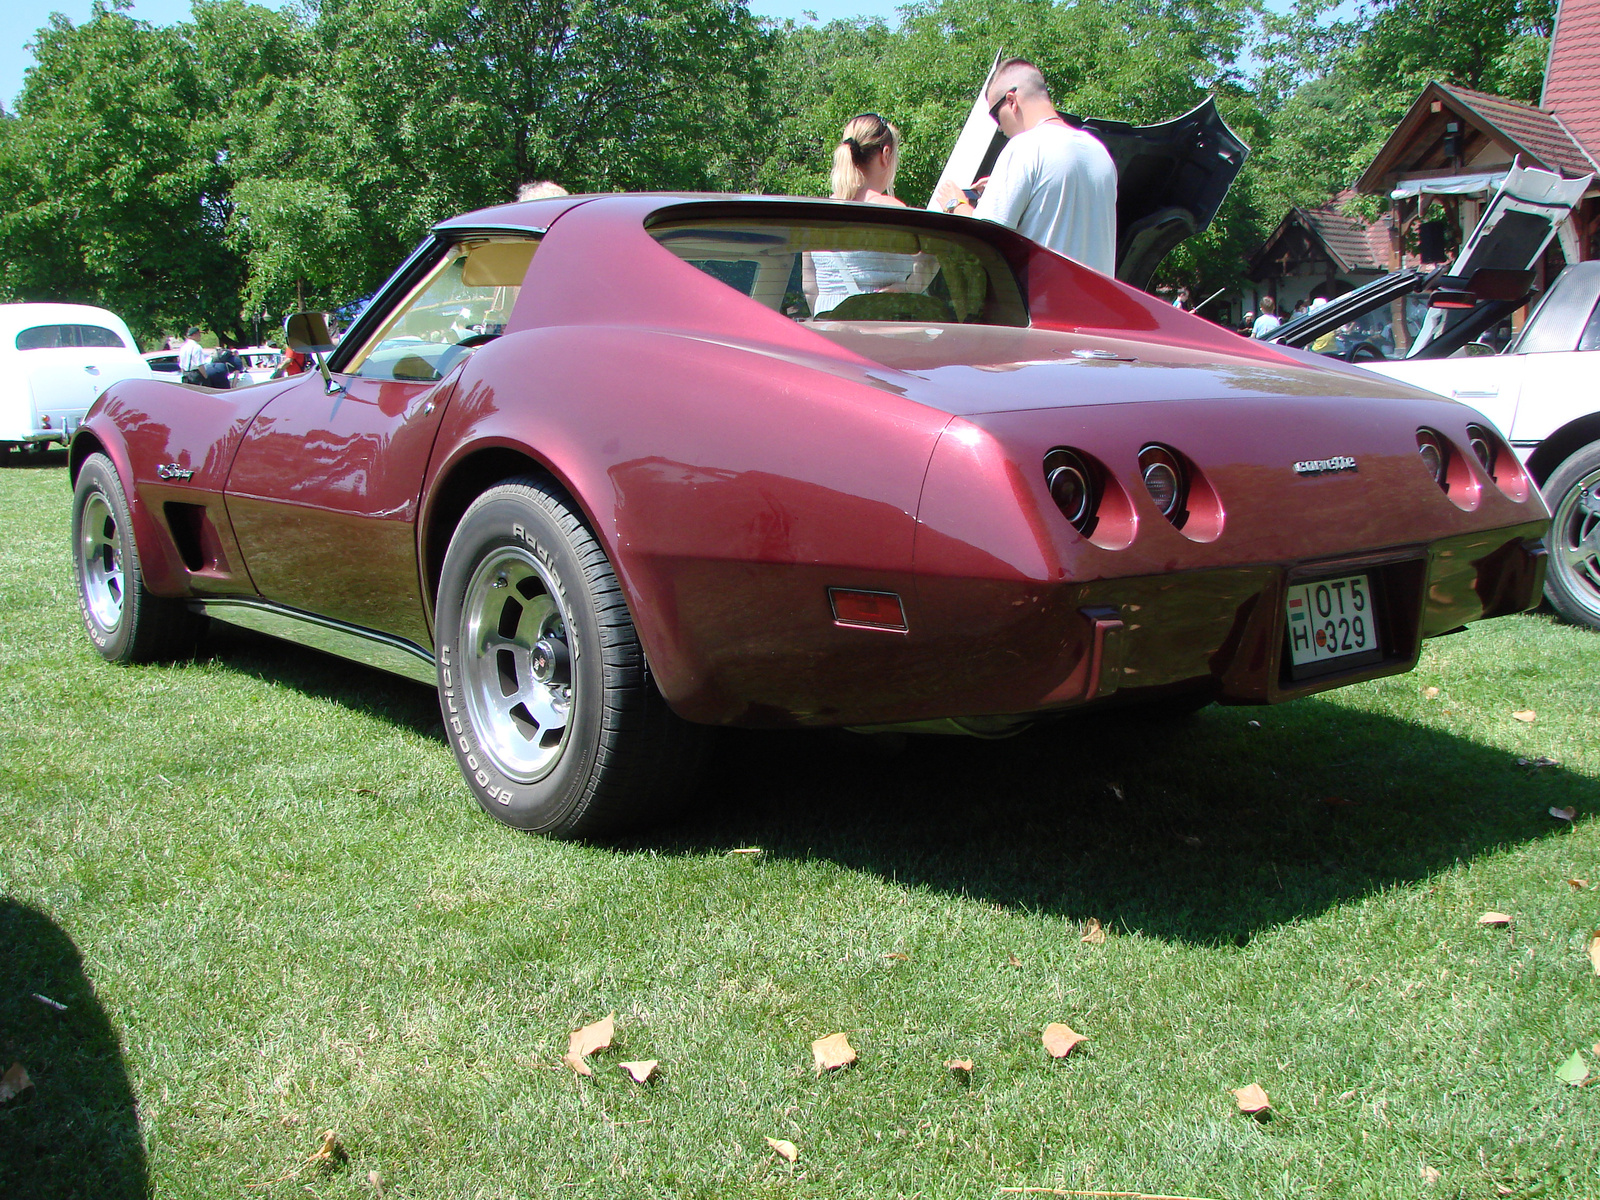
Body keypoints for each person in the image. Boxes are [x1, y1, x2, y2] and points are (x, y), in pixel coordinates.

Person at [933, 58, 1117, 277]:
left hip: (1043, 308)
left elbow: (985, 241)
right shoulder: (1099, 153)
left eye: (995, 114)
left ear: (1011, 100)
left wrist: (955, 203)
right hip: (1096, 308)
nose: (999, 128)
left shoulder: (1024, 146)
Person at [806, 113, 921, 316]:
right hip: (880, 325)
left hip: (828, 326)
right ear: (886, 154)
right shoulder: (892, 209)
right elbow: (922, 274)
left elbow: (809, 288)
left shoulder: (816, 214)